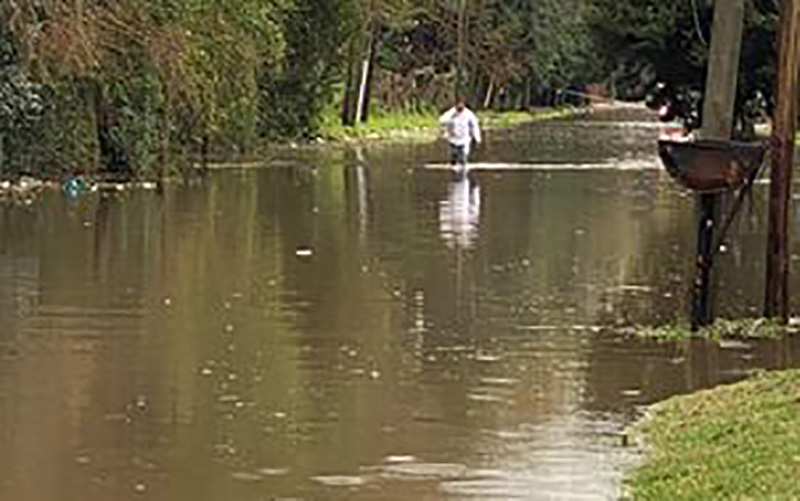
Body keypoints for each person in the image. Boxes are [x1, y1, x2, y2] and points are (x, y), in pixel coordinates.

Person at [439, 99, 481, 171]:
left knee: (463, 157)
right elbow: (442, 120)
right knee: (453, 157)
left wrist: (477, 138)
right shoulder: (451, 113)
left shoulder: (469, 114)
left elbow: (474, 126)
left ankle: (463, 173)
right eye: (458, 106)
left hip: (464, 139)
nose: (459, 107)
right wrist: (451, 115)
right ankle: (453, 172)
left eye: (461, 105)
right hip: (453, 139)